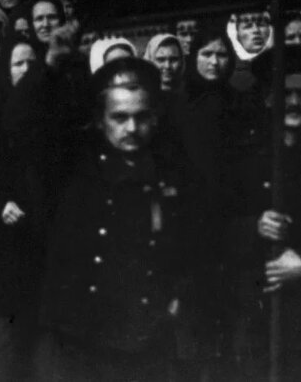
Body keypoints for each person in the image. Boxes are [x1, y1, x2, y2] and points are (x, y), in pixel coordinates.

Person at [36, 57, 197, 381]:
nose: (132, 129)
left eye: (142, 117)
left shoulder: (172, 171)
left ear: (155, 118)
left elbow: (193, 244)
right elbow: (24, 125)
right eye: (120, 117)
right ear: (100, 120)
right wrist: (51, 66)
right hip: (81, 339)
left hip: (146, 334)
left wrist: (180, 296)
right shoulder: (73, 168)